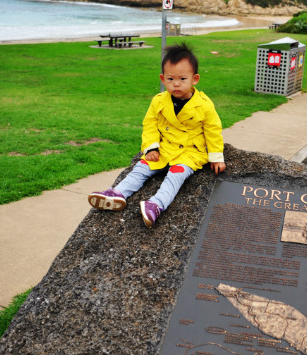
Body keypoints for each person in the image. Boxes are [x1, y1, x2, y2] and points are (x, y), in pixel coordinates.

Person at [87, 42, 225, 228]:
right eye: (170, 79)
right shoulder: (159, 101)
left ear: (195, 79)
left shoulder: (204, 104)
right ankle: (117, 194)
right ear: (162, 79)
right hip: (164, 147)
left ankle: (156, 205)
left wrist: (216, 157)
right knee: (142, 168)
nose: (176, 84)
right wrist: (152, 146)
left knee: (175, 176)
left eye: (182, 79)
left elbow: (213, 130)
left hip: (189, 152)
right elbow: (150, 124)